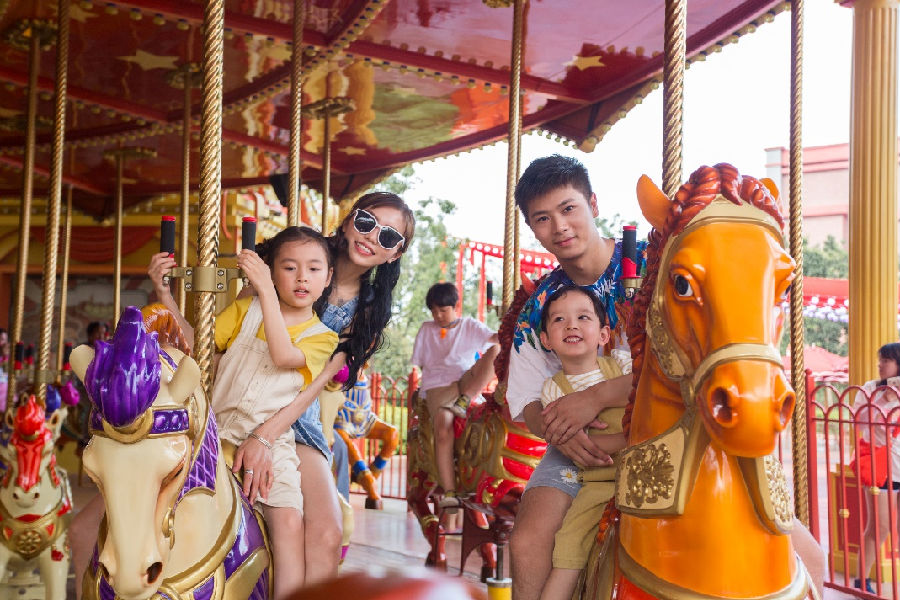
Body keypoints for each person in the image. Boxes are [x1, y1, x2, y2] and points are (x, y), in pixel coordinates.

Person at [73, 227, 338, 599]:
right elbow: (197, 347)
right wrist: (164, 294)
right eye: (289, 267)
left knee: (289, 522)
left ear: (328, 278)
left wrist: (264, 290)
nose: (301, 278)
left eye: (313, 269)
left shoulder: (323, 336)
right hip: (212, 430)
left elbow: (283, 355)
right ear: (272, 271)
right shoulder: (245, 311)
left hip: (268, 443)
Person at [230, 192, 415, 580]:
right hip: (243, 390)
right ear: (348, 222)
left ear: (394, 254)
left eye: (387, 237)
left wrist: (266, 435)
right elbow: (238, 326)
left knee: (328, 533)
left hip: (296, 416)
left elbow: (318, 384)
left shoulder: (367, 309)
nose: (371, 237)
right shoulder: (301, 258)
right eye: (366, 223)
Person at [536, 285, 630, 600]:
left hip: (646, 469)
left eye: (583, 317)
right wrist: (631, 438)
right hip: (600, 482)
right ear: (546, 340)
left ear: (604, 335)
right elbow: (585, 449)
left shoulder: (621, 363)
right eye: (559, 319)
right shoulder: (553, 390)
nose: (571, 325)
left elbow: (647, 384)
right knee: (569, 543)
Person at [411, 282, 499, 512]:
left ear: (456, 306)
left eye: (443, 310)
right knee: (443, 426)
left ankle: (465, 400)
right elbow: (421, 365)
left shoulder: (469, 326)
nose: (438, 315)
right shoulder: (427, 329)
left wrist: (514, 325)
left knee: (496, 351)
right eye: (434, 311)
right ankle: (450, 491)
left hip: (466, 382)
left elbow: (496, 340)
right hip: (439, 386)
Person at [854, 342, 900, 593]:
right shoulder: (870, 389)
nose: (880, 364)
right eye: (880, 359)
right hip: (881, 465)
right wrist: (885, 399)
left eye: (886, 360)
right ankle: (862, 579)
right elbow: (860, 422)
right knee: (879, 526)